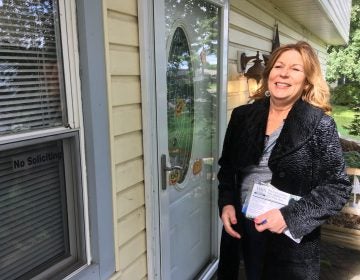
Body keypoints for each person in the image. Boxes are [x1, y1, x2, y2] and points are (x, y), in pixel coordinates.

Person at [217, 41, 352, 280]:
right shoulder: (242, 116)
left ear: (307, 80)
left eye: (295, 69)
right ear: (269, 74)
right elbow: (227, 168)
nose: (284, 73)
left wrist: (289, 217)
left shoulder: (319, 124)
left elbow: (337, 187)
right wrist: (226, 203)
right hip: (245, 225)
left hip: (290, 236)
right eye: (278, 66)